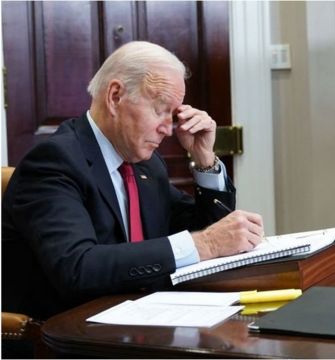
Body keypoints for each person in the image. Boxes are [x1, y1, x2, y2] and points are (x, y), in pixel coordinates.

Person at [1, 41, 265, 320]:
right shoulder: (54, 162)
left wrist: (204, 160)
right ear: (115, 96)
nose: (168, 128)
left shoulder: (146, 165)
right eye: (160, 109)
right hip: (68, 334)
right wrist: (205, 244)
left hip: (143, 321)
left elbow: (205, 229)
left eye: (172, 114)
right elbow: (78, 268)